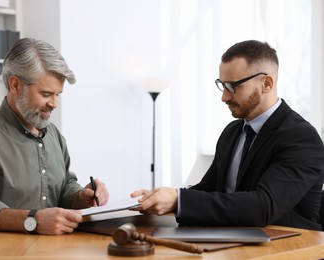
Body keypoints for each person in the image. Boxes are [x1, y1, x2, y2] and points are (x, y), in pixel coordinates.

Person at [131, 40, 324, 231]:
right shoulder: (232, 131)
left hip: (289, 248)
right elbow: (209, 189)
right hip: (234, 241)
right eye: (222, 85)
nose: (224, 97)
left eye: (233, 86)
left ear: (266, 83)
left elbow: (262, 206)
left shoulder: (301, 138)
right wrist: (162, 198)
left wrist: (179, 201)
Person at [0, 38, 109, 235]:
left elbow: (64, 185)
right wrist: (34, 220)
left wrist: (81, 196)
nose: (54, 103)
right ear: (15, 85)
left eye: (58, 94)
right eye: (46, 94)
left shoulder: (53, 135)